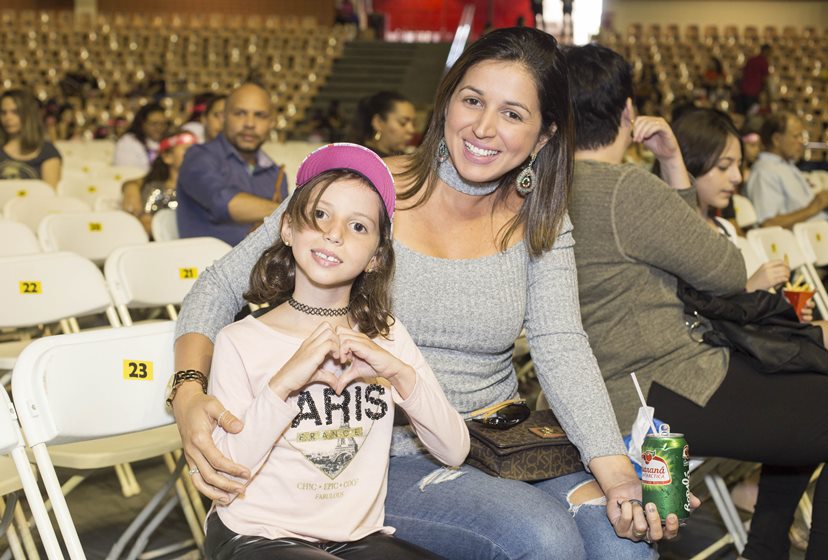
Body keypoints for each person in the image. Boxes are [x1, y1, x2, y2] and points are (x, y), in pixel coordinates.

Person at [171, 28, 686, 560]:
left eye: (513, 114)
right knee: (543, 539)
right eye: (472, 100)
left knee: (623, 546)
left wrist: (616, 471)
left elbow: (561, 346)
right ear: (446, 103)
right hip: (372, 455)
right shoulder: (363, 193)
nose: (484, 128)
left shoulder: (541, 220)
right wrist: (188, 392)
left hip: (503, 445)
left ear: (543, 135)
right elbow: (218, 285)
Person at [565, 42, 828, 560]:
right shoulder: (624, 187)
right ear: (628, 111)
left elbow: (683, 250)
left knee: (810, 395)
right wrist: (671, 167)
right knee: (826, 409)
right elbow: (725, 270)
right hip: (663, 383)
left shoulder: (553, 186)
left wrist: (670, 163)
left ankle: (764, 549)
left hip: (616, 384)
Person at [202, 143, 468, 559]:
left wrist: (399, 374)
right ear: (288, 228)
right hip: (256, 533)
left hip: (354, 538)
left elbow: (454, 449)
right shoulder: (240, 340)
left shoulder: (388, 336)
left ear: (376, 257)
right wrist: (284, 384)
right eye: (321, 215)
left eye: (359, 226)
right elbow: (225, 471)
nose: (335, 233)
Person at [671, 107, 828, 359]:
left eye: (739, 165)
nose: (737, 177)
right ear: (690, 163)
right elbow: (693, 319)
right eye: (724, 166)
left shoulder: (725, 228)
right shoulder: (675, 235)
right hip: (735, 347)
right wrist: (751, 289)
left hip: (759, 331)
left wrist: (783, 308)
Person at [176, 83, 287, 246]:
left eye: (260, 115)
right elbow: (224, 202)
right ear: (224, 118)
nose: (249, 123)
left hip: (264, 268)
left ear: (272, 122)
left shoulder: (275, 173)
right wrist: (290, 211)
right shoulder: (198, 157)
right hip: (204, 266)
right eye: (240, 113)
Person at [745, 111, 828, 227]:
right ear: (777, 140)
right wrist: (815, 206)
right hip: (805, 241)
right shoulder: (764, 172)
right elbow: (768, 224)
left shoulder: (786, 166)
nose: (801, 141)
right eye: (796, 136)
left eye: (801, 136)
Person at [121, 131, 198, 235]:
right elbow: (146, 223)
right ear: (167, 157)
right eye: (187, 150)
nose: (196, 155)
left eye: (198, 150)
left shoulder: (202, 189)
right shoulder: (156, 190)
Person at [0, 89, 62, 187]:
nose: (8, 118)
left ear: (28, 114)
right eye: (3, 113)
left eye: (15, 112)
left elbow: (50, 196)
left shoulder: (47, 152)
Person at [349, 92, 415, 158]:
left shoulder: (403, 157)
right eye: (402, 123)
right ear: (378, 122)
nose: (411, 130)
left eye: (414, 123)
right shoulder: (362, 159)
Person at [113, 103, 167, 173]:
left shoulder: (166, 141)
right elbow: (128, 174)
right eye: (154, 124)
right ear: (142, 123)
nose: (159, 128)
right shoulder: (128, 142)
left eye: (163, 124)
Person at [736, 44, 771, 115]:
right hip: (753, 92)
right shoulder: (764, 62)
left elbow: (743, 73)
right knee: (751, 113)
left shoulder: (751, 60)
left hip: (743, 90)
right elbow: (765, 79)